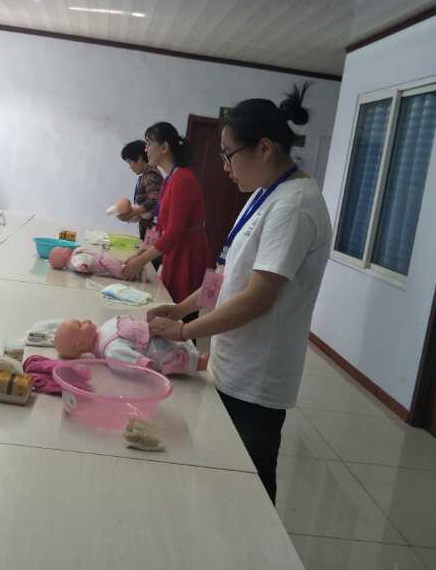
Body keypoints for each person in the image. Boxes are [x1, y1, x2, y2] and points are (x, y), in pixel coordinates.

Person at [148, 85, 332, 504]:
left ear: (263, 148)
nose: (225, 166)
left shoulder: (294, 206)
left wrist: (183, 331)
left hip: (257, 376)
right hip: (232, 363)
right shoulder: (265, 194)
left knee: (250, 489)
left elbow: (257, 298)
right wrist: (181, 307)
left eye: (228, 154)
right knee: (223, 477)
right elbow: (226, 274)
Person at [122, 123, 210, 308]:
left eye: (149, 143)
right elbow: (159, 226)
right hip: (175, 251)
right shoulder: (170, 178)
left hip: (187, 254)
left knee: (181, 309)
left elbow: (174, 233)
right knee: (169, 302)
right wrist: (140, 252)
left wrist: (142, 261)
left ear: (164, 148)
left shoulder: (183, 180)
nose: (145, 149)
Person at [118, 140, 163, 241]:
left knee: (147, 251)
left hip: (152, 230)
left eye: (129, 162)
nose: (130, 167)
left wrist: (133, 212)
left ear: (139, 158)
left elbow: (155, 200)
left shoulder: (151, 175)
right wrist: (136, 215)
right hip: (148, 227)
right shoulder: (146, 175)